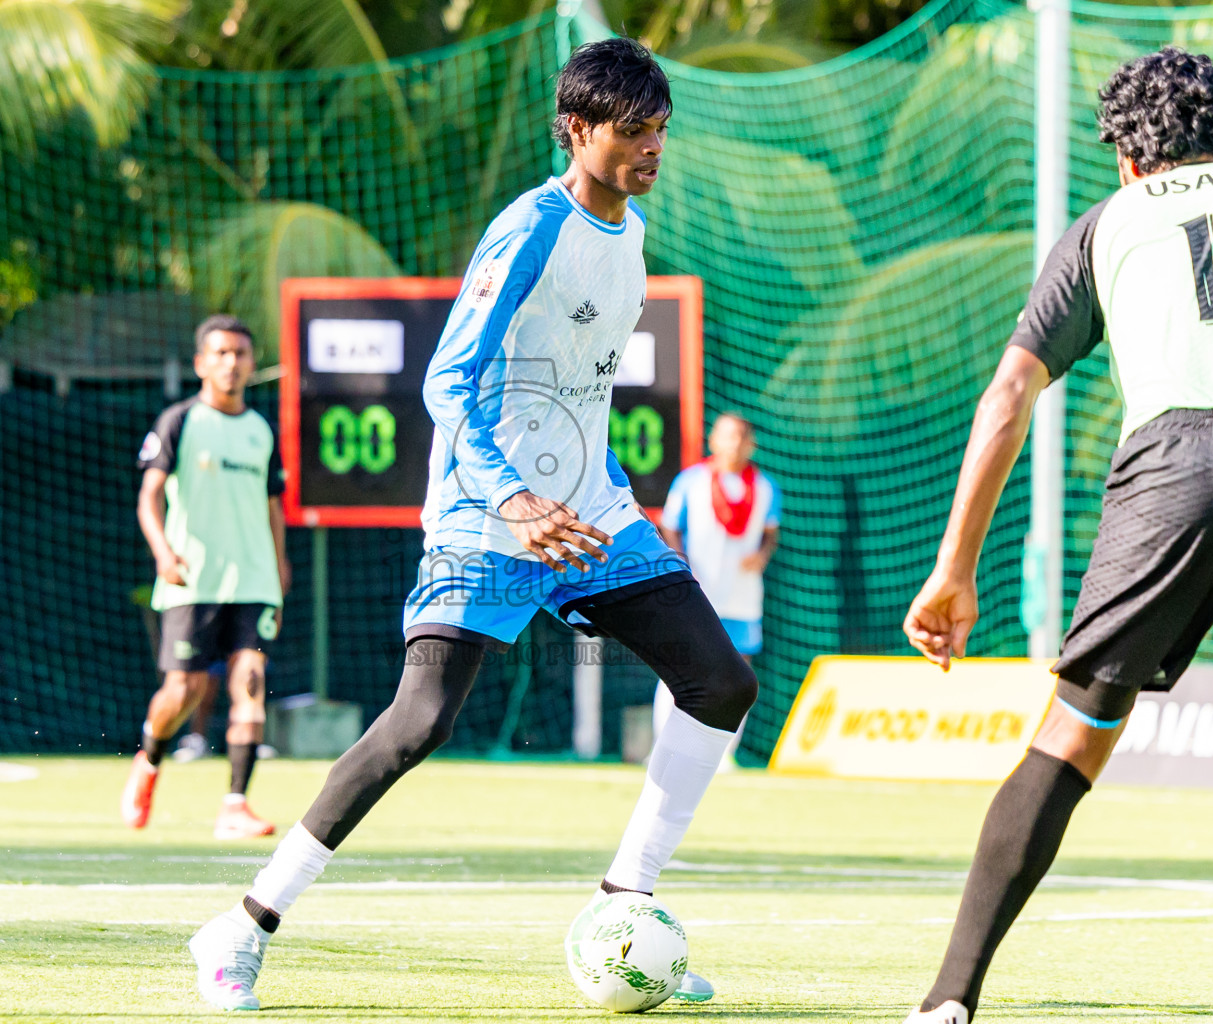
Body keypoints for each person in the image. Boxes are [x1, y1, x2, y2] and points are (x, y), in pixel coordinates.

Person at [187, 37, 757, 1011]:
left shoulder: (635, 232)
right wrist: (514, 501)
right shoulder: (529, 228)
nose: (652, 147)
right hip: (489, 520)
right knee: (419, 722)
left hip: (593, 519)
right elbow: (446, 381)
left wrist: (599, 495)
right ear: (578, 131)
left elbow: (582, 398)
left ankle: (623, 905)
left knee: (720, 679)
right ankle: (241, 925)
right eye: (633, 130)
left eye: (661, 128)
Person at [901, 49, 1213, 1023]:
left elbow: (1008, 395)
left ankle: (948, 1001)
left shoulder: (1108, 224)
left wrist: (954, 568)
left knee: (1073, 734)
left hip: (1161, 468)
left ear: (1128, 157)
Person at [120, 314, 290, 841]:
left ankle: (234, 805)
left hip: (254, 583)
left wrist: (280, 570)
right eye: (220, 353)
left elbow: (272, 506)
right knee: (184, 690)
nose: (231, 363)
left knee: (250, 686)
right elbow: (149, 497)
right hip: (193, 581)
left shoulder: (261, 431)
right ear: (201, 363)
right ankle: (149, 761)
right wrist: (163, 553)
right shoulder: (179, 422)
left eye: (240, 354)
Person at [653, 412, 779, 770]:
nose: (734, 443)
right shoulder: (690, 482)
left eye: (741, 436)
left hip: (742, 596)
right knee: (678, 666)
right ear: (713, 440)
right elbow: (671, 526)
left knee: (738, 673)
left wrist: (763, 554)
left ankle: (725, 754)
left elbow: (771, 532)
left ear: (751, 443)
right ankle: (663, 748)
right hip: (697, 593)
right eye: (727, 435)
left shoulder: (766, 488)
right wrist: (681, 563)